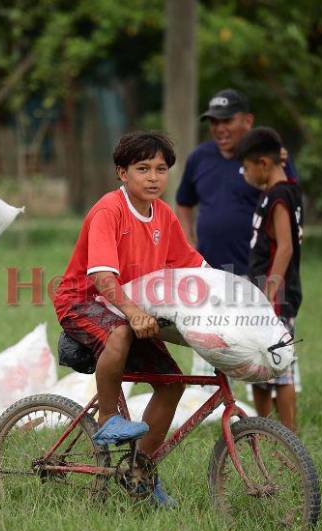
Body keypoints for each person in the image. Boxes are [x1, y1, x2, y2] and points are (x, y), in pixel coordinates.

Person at [53, 132, 206, 508]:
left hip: (129, 310)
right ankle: (107, 420)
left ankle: (139, 472)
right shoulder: (110, 211)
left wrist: (230, 300)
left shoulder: (165, 217)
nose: (153, 177)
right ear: (122, 172)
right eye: (142, 169)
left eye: (161, 169)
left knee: (172, 384)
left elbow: (197, 267)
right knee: (119, 331)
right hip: (83, 301)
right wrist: (135, 313)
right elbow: (104, 279)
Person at [175, 88, 297, 275]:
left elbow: (289, 205)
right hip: (209, 273)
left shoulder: (269, 159)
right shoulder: (199, 157)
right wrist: (189, 243)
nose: (219, 128)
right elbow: (184, 203)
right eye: (214, 122)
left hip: (257, 272)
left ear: (248, 121)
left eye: (227, 120)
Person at [237, 127, 304, 433]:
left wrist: (269, 291)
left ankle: (288, 436)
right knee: (261, 366)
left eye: (247, 166)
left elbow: (286, 246)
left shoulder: (279, 196)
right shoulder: (282, 188)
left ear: (263, 164)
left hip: (274, 298)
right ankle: (263, 429)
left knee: (280, 367)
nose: (244, 172)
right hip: (264, 295)